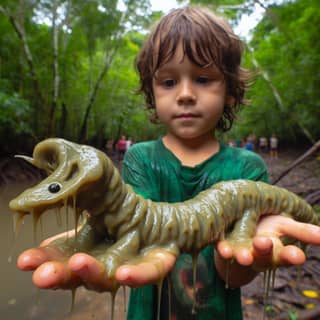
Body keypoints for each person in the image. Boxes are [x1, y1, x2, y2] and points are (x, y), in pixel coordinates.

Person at [17, 6, 320, 320]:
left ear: (230, 93)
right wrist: (91, 235)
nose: (186, 94)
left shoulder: (248, 168)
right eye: (169, 82)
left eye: (203, 79)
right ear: (151, 93)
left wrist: (249, 254)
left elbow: (233, 274)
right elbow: (132, 226)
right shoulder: (141, 159)